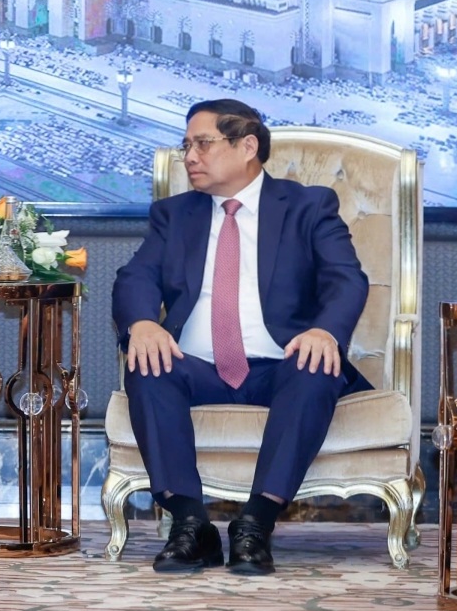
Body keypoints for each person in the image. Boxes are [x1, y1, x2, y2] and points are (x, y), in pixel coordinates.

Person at [112, 98, 371, 575]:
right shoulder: (175, 214)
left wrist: (324, 331)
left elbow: (346, 279)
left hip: (281, 364)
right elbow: (136, 277)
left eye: (202, 144)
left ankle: (256, 523)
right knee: (147, 364)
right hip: (196, 366)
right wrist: (142, 323)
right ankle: (190, 524)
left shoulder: (308, 206)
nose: (189, 156)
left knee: (315, 368)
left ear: (247, 146)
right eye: (186, 146)